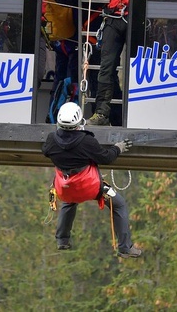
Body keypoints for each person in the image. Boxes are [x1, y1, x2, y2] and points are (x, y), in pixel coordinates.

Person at [88, 0, 175, 126]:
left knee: (141, 67)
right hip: (115, 18)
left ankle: (141, 112)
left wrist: (162, 13)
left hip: (141, 21)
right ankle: (102, 112)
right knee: (106, 66)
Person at [42, 102, 142, 258]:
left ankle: (62, 239)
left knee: (69, 201)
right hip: (90, 187)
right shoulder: (86, 141)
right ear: (79, 122)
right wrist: (118, 147)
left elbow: (46, 151)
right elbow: (106, 157)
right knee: (119, 204)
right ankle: (125, 247)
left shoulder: (51, 140)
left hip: (65, 188)